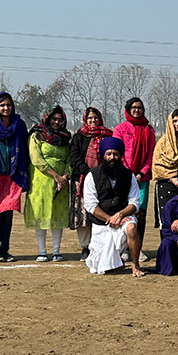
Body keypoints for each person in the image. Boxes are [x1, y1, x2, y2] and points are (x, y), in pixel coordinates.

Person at [84, 137, 144, 276]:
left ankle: (135, 265)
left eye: (116, 154)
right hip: (101, 223)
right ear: (103, 155)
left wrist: (120, 215)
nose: (112, 157)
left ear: (121, 155)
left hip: (123, 216)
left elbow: (134, 203)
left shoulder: (129, 175)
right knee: (100, 268)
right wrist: (111, 218)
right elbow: (90, 205)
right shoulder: (92, 176)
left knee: (131, 227)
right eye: (109, 154)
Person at [0, 92, 29, 262]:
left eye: (8, 105)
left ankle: (5, 249)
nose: (6, 108)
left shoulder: (19, 124)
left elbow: (25, 146)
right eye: (2, 105)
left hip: (13, 174)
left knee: (8, 213)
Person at [25, 105, 71, 261]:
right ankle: (42, 251)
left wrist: (64, 177)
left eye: (60, 119)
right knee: (41, 214)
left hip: (62, 184)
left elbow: (69, 160)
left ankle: (56, 251)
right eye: (54, 119)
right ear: (47, 119)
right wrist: (55, 176)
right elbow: (36, 159)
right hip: (41, 181)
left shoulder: (65, 138)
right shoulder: (37, 135)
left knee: (57, 215)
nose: (57, 122)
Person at [113, 97, 155, 257]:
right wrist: (129, 174)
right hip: (123, 177)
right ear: (128, 109)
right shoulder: (120, 128)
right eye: (134, 107)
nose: (137, 110)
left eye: (140, 107)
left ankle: (137, 248)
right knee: (123, 212)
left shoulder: (149, 130)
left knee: (140, 214)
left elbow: (150, 154)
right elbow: (118, 152)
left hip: (142, 179)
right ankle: (123, 248)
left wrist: (141, 173)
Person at [70, 107, 113, 261]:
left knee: (100, 213)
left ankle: (99, 245)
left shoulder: (107, 136)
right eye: (90, 118)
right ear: (85, 120)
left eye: (95, 118)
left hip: (103, 180)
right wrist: (89, 173)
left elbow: (112, 156)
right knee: (83, 217)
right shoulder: (79, 137)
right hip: (82, 181)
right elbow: (74, 158)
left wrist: (101, 174)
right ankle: (85, 247)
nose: (93, 121)